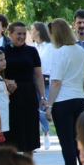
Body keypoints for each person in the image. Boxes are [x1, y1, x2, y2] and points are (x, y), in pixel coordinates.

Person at [45, 18, 84, 165]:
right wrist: (79, 88)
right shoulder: (81, 51)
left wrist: (49, 106)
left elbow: (56, 81)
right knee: (80, 141)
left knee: (67, 143)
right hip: (79, 100)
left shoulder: (59, 53)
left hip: (63, 102)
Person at [2, 21, 47, 165]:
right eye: (18, 34)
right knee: (13, 137)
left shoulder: (32, 51)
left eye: (23, 34)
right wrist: (6, 81)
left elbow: (38, 76)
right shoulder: (3, 51)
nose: (21, 37)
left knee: (29, 137)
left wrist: (42, 96)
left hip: (28, 95)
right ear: (10, 35)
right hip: (10, 97)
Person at [30, 22, 53, 150]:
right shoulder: (31, 47)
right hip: (33, 80)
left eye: (32, 29)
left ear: (38, 31)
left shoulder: (51, 47)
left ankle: (46, 132)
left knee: (44, 110)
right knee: (33, 110)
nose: (30, 32)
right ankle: (36, 139)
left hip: (46, 80)